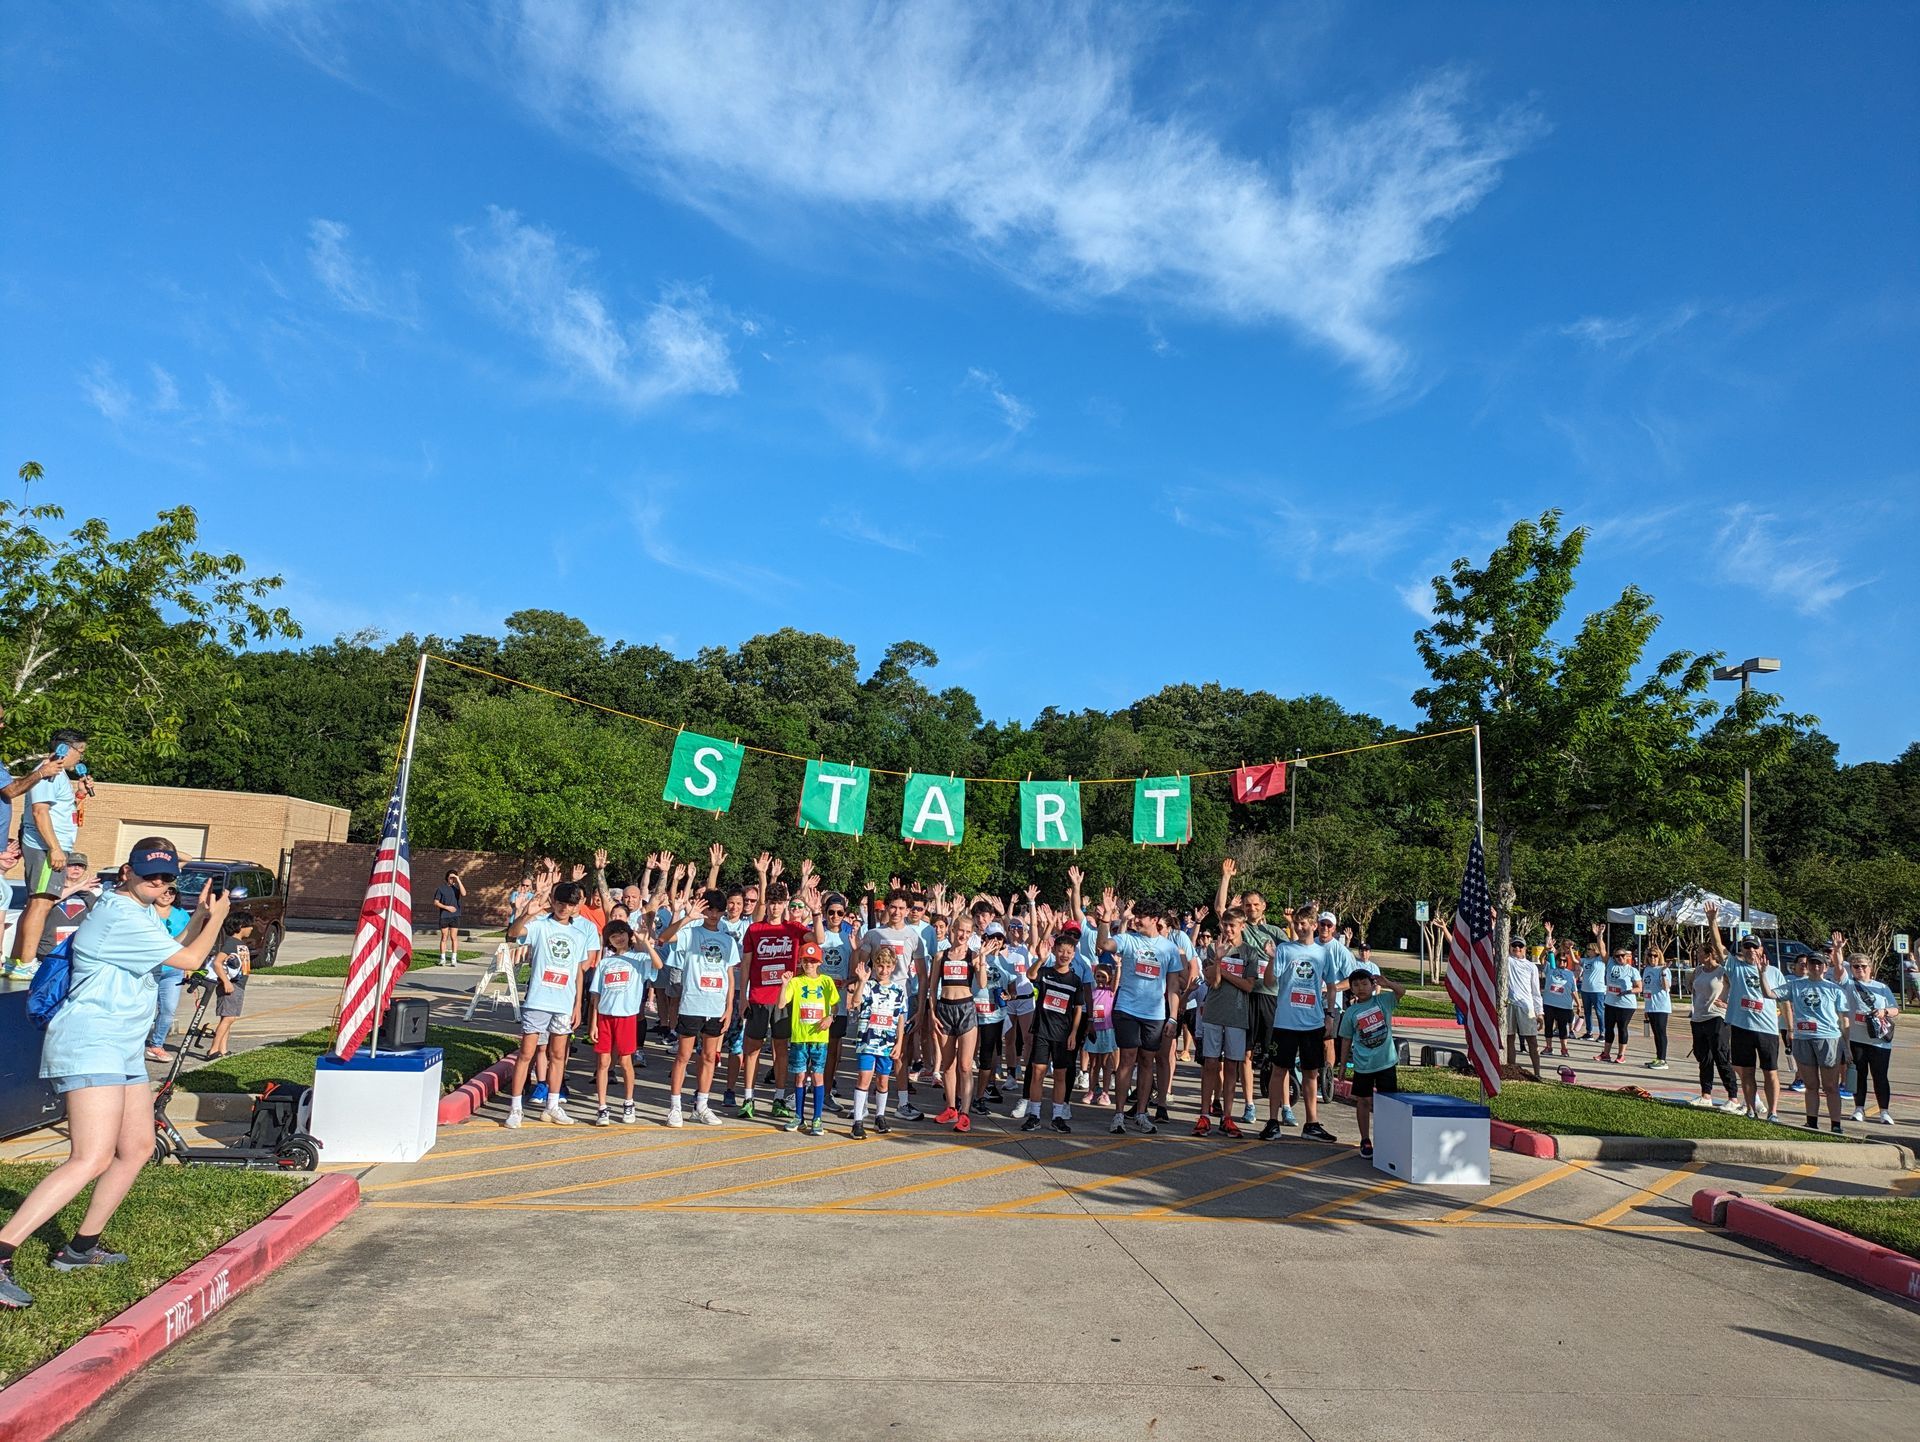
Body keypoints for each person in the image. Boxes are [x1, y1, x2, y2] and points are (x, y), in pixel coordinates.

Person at [0, 838, 230, 1311]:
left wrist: (201, 918)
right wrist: (218, 921)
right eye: (150, 874)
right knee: (90, 1157)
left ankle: (80, 1249)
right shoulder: (116, 914)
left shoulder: (140, 914)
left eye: (167, 877)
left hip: (122, 1047)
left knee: (138, 1147)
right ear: (127, 871)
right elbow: (189, 961)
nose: (159, 883)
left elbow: (171, 950)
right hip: (92, 1042)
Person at [502, 879, 601, 1128]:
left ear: (576, 906)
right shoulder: (540, 926)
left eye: (570, 904)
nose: (564, 908)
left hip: (564, 1003)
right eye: (560, 903)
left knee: (558, 1055)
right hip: (538, 1000)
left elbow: (578, 972)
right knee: (527, 1053)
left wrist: (577, 1005)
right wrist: (527, 914)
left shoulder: (579, 934)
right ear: (553, 902)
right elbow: (513, 934)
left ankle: (553, 1105)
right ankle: (516, 1109)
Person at [6, 728, 88, 979]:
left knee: (36, 903)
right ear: (65, 748)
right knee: (42, 903)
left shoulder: (58, 775)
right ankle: (25, 963)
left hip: (50, 846)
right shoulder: (48, 773)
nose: (81, 757)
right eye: (80, 751)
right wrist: (55, 848)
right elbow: (40, 812)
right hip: (45, 847)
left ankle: (16, 961)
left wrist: (80, 794)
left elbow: (62, 811)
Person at [1098, 890, 1178, 1136]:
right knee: (1127, 1058)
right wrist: (1106, 917)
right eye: (1136, 916)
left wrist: (1173, 1017)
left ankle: (1141, 1113)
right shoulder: (1128, 940)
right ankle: (1119, 1114)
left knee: (1147, 1061)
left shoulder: (1169, 948)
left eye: (1141, 917)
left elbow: (1173, 986)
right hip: (1127, 1009)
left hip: (1154, 1013)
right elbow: (1104, 945)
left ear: (1154, 919)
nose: (1136, 920)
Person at [1215, 857, 1287, 1125]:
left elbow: (1293, 953)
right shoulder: (1241, 931)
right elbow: (1221, 909)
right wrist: (1226, 878)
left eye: (1256, 904)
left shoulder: (1275, 932)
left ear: (1264, 906)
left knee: (1278, 1056)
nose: (1252, 908)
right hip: (1245, 996)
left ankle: (1285, 1106)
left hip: (1270, 995)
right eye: (1247, 905)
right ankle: (1249, 1104)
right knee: (1245, 1054)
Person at [1262, 905, 1342, 1143]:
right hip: (1286, 1022)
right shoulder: (1285, 949)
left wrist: (1329, 1015)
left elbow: (1332, 986)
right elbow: (1269, 982)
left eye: (1303, 923)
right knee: (1279, 1071)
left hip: (1312, 1023)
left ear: (1314, 925)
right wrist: (1271, 959)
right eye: (1296, 923)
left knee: (1311, 1073)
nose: (1298, 927)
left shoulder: (1323, 953)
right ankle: (1273, 1122)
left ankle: (1312, 1124)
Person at [739, 859, 810, 1122]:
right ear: (766, 903)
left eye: (779, 902)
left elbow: (818, 940)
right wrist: (742, 997)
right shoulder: (754, 929)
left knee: (781, 1049)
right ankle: (748, 1098)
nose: (775, 907)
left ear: (785, 904)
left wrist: (814, 912)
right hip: (758, 997)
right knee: (752, 1049)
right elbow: (746, 965)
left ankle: (779, 1098)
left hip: (784, 999)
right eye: (771, 902)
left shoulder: (793, 929)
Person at [663, 888, 739, 1127]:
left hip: (716, 1007)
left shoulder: (728, 940)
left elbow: (730, 976)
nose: (713, 915)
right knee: (683, 1056)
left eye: (718, 911)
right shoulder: (691, 933)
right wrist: (688, 917)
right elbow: (664, 937)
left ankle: (701, 1106)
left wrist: (729, 1008)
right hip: (692, 1004)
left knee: (709, 1057)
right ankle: (675, 1107)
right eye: (709, 910)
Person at [856, 888, 931, 1121]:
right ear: (887, 908)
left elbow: (923, 976)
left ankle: (903, 1103)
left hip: (900, 1001)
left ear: (908, 911)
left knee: (899, 1053)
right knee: (869, 1052)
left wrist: (920, 1008)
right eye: (893, 907)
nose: (897, 912)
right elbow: (861, 967)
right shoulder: (873, 934)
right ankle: (862, 1107)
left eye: (901, 908)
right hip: (874, 1001)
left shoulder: (913, 937)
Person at [1013, 915, 1086, 1132]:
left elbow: (1078, 1008)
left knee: (1061, 1075)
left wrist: (1073, 1033)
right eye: (1061, 951)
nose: (1064, 955)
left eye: (1069, 952)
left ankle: (1057, 1116)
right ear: (1054, 951)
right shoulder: (1045, 973)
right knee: (1038, 1072)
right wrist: (1040, 959)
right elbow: (1030, 974)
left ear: (1073, 955)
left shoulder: (1075, 981)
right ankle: (1034, 1115)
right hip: (1042, 1031)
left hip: (1063, 1035)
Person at [1713, 924, 1785, 1122]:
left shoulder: (1774, 972)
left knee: (1770, 1072)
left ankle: (1773, 1112)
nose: (1751, 950)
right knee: (1746, 1072)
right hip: (1742, 1027)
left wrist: (1790, 1027)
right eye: (1747, 947)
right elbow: (1719, 946)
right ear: (1742, 950)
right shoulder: (1735, 967)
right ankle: (1751, 1109)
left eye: (1755, 947)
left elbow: (1783, 1000)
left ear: (1761, 949)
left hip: (1767, 1029)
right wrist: (1712, 921)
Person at [1196, 908, 1258, 1138]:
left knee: (1232, 1066)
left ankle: (1227, 1117)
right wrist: (1219, 960)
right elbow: (1213, 982)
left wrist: (1222, 970)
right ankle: (1204, 1115)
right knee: (1211, 1064)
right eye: (1225, 925)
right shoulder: (1214, 948)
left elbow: (1249, 986)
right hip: (1214, 1013)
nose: (1228, 929)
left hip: (1237, 1016)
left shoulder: (1249, 952)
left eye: (1233, 925)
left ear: (1242, 926)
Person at [1337, 966, 1408, 1160]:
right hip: (1363, 1065)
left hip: (1386, 1063)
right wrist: (1342, 1065)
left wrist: (1387, 983)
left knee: (1388, 1103)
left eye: (1364, 983)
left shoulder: (1383, 1001)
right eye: (1356, 985)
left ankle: (1387, 1139)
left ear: (1372, 984)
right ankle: (1365, 1139)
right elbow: (1346, 1039)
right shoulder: (1351, 1012)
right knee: (1363, 1101)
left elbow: (1401, 992)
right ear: (1351, 988)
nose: (1361, 988)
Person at [588, 920, 654, 1125]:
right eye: (613, 936)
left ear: (628, 934)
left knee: (625, 1061)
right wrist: (593, 1023)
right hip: (605, 1017)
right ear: (608, 940)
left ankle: (628, 1102)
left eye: (622, 934)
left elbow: (658, 966)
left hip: (626, 1017)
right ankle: (602, 1107)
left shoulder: (639, 958)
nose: (619, 938)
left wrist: (646, 943)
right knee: (603, 1062)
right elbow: (596, 995)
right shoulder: (605, 963)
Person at [845, 941, 909, 1139]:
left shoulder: (898, 990)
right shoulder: (868, 986)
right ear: (874, 965)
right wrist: (861, 981)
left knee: (883, 1081)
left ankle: (880, 1116)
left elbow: (900, 1017)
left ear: (893, 967)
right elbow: (856, 1002)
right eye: (880, 966)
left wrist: (899, 1042)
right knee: (864, 1078)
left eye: (888, 966)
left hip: (887, 1042)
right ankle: (857, 1120)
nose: (884, 970)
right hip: (867, 1040)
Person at [1782, 947, 1850, 1132]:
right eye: (1812, 963)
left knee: (1830, 1086)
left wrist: (1847, 1047)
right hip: (1803, 1038)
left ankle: (1836, 1125)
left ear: (1826, 967)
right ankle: (1811, 1122)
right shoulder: (1796, 985)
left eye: (1819, 964)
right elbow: (1770, 994)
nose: (1815, 967)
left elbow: (1844, 1019)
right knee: (1811, 1085)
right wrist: (1762, 972)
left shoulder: (1834, 989)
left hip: (1828, 1039)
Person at [931, 907, 985, 1132]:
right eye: (960, 930)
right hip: (945, 1009)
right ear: (953, 930)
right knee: (948, 1065)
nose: (963, 935)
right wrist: (932, 1013)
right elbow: (932, 988)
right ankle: (951, 1108)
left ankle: (965, 1112)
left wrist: (982, 959)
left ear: (971, 934)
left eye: (967, 932)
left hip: (966, 1010)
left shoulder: (973, 956)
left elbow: (982, 983)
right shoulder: (940, 956)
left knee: (964, 1065)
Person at [778, 939, 839, 1136]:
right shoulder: (796, 982)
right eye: (805, 960)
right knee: (799, 1077)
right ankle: (799, 1116)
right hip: (800, 1037)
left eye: (813, 961)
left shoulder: (826, 981)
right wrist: (784, 984)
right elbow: (781, 1004)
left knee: (818, 1076)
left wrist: (830, 1017)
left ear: (819, 962)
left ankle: (817, 1118)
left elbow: (835, 1005)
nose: (809, 964)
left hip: (820, 1038)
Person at [1689, 910, 1742, 1109]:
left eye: (1700, 953)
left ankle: (1733, 1097)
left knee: (1721, 1056)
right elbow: (1695, 991)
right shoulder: (1698, 971)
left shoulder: (1723, 971)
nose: (1697, 955)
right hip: (1698, 1018)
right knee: (1704, 1058)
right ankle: (1706, 1095)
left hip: (1717, 1017)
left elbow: (1738, 991)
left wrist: (1728, 1005)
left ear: (1709, 954)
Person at [1841, 953, 1899, 1124]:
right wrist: (1837, 950)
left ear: (1870, 968)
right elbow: (1838, 967)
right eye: (1856, 966)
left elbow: (1895, 1009)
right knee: (1859, 1075)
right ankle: (1859, 1108)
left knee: (1880, 1076)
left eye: (1863, 966)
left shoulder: (1882, 988)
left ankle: (1884, 1111)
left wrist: (1884, 1012)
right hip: (1857, 1039)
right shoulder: (1848, 985)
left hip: (1879, 1040)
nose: (1860, 969)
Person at [143, 883, 194, 1061]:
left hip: (173, 970)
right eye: (164, 891)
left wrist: (188, 965)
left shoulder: (182, 914)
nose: (167, 895)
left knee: (169, 1009)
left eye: (171, 891)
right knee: (144, 1009)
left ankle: (156, 1045)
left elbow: (189, 939)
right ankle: (133, 1044)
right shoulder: (145, 911)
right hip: (148, 969)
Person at [204, 920, 252, 1058]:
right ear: (240, 927)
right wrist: (226, 982)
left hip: (239, 985)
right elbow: (217, 963)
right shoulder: (231, 943)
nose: (251, 928)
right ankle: (213, 1050)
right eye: (249, 925)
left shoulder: (239, 944)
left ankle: (223, 1049)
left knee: (228, 1018)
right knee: (229, 1018)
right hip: (232, 985)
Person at [1505, 935, 1543, 1080]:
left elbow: (1536, 992)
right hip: (1508, 1004)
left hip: (1526, 1006)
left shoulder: (1531, 966)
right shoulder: (1506, 961)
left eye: (1520, 946)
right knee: (1509, 1038)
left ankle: (1537, 1073)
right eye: (1514, 945)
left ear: (1525, 949)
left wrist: (1539, 1013)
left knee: (1532, 1040)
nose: (1517, 948)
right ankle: (1511, 1069)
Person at [1597, 946, 1641, 1064]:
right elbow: (1602, 950)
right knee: (1609, 1028)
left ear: (1627, 956)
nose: (1620, 958)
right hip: (1610, 1002)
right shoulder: (1611, 964)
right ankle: (1606, 1054)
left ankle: (1621, 1055)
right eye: (1617, 956)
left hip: (1626, 1005)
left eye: (1622, 955)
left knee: (1622, 1028)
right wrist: (1599, 937)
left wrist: (1627, 991)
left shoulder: (1632, 970)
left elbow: (1639, 988)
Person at [1540, 937, 1578, 1057]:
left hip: (1564, 1005)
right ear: (1556, 961)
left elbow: (1573, 990)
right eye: (1559, 961)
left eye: (1564, 961)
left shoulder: (1570, 974)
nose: (1562, 963)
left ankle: (1564, 1049)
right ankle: (1549, 1047)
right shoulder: (1550, 969)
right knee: (1548, 1026)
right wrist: (1546, 949)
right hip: (1549, 1003)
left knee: (1563, 1027)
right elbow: (1541, 959)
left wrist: (1579, 1004)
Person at [1641, 948, 1672, 1070]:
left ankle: (1663, 1060)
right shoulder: (1647, 969)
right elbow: (1646, 988)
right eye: (1650, 955)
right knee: (1656, 1033)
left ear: (1659, 957)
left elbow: (1666, 987)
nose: (1652, 958)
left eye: (1655, 956)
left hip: (1661, 1006)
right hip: (1651, 1006)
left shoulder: (1664, 970)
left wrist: (1663, 973)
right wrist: (1646, 1007)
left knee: (1661, 1032)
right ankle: (1658, 1057)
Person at [1576, 934, 1608, 1042]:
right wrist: (1570, 949)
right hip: (1585, 990)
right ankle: (1589, 1032)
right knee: (1587, 1012)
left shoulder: (1600, 959)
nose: (1587, 951)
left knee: (1599, 1012)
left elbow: (1603, 949)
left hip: (1598, 990)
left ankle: (1602, 1033)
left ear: (1595, 950)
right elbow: (1575, 961)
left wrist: (1599, 936)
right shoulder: (1585, 960)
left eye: (1589, 949)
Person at [432, 870, 466, 966]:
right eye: (451, 877)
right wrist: (447, 907)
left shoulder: (457, 888)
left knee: (454, 937)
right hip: (444, 916)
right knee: (444, 937)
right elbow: (436, 902)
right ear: (447, 878)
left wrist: (458, 879)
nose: (452, 879)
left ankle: (453, 959)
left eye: (454, 878)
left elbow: (464, 894)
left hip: (455, 916)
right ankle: (442, 959)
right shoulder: (441, 888)